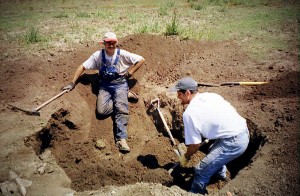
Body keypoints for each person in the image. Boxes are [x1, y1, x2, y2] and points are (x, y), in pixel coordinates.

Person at [62, 32, 145, 153]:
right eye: (108, 43)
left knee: (121, 109)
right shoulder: (98, 56)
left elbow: (141, 60)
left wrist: (130, 73)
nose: (111, 45)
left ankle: (121, 139)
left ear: (116, 43)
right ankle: (124, 97)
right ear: (104, 44)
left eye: (113, 43)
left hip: (120, 83)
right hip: (105, 85)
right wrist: (72, 83)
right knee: (101, 112)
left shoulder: (122, 54)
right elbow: (82, 67)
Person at [173, 77, 249, 194]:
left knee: (200, 170)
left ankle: (196, 193)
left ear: (187, 93)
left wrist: (186, 156)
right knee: (212, 150)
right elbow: (230, 109)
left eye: (179, 94)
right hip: (241, 130)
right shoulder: (211, 95)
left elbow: (195, 145)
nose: (177, 97)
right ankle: (219, 174)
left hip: (234, 141)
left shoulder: (189, 113)